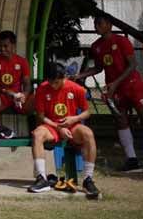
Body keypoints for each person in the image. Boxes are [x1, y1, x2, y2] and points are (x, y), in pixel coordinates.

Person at [74, 13, 143, 172]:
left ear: (109, 25)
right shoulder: (96, 46)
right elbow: (98, 67)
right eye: (95, 23)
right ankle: (131, 159)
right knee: (121, 120)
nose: (96, 26)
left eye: (100, 23)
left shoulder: (122, 41)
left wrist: (116, 83)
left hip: (132, 85)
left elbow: (132, 65)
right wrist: (80, 75)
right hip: (115, 88)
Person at [28, 63, 100, 199]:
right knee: (37, 133)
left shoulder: (76, 89)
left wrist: (74, 119)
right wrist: (58, 127)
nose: (53, 86)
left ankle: (88, 179)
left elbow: (86, 112)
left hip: (72, 126)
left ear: (64, 77)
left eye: (56, 82)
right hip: (52, 126)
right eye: (50, 82)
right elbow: (41, 116)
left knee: (88, 134)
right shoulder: (42, 89)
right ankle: (41, 178)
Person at [0, 31, 34, 139]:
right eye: (0, 46)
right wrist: (6, 91)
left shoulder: (22, 61)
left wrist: (24, 95)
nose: (2, 49)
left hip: (17, 99)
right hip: (2, 96)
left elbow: (27, 84)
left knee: (36, 98)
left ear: (13, 45)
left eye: (5, 46)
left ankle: (37, 132)